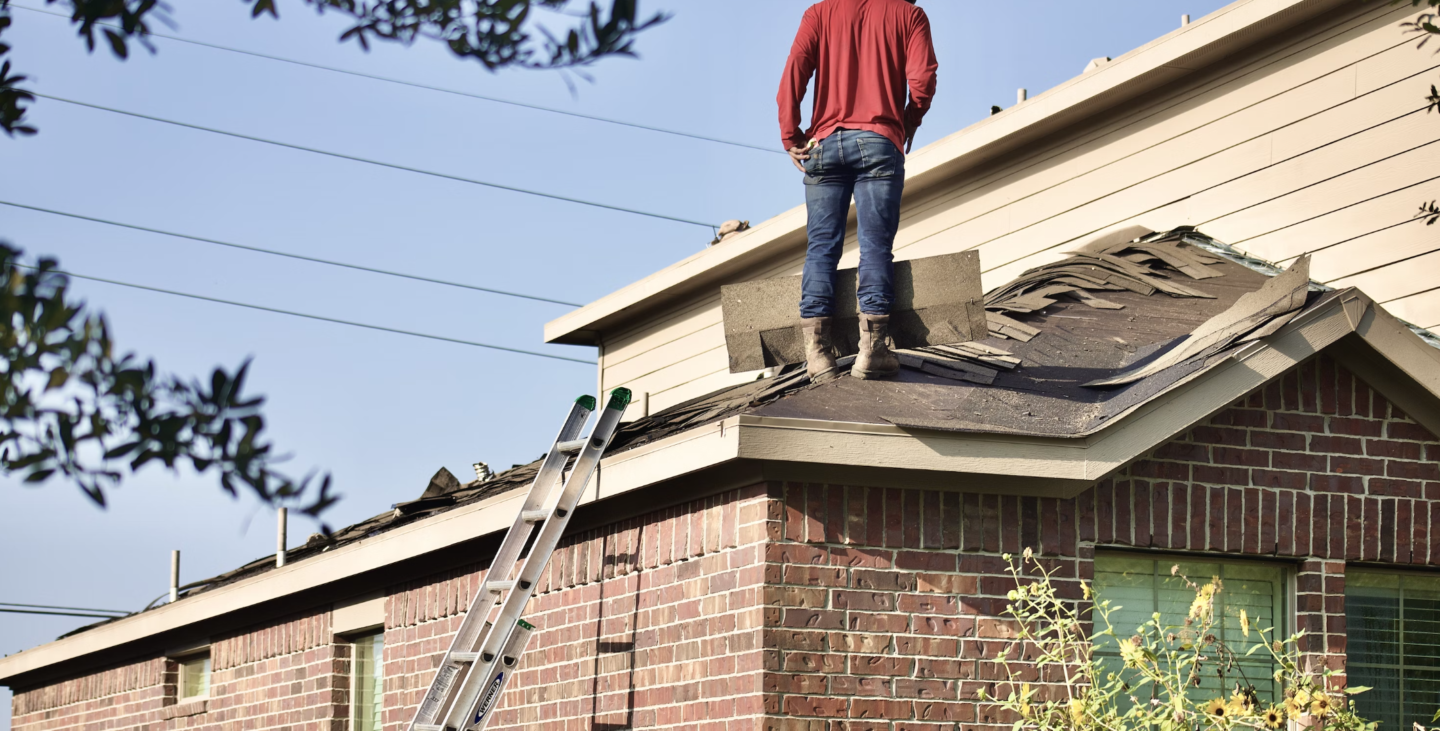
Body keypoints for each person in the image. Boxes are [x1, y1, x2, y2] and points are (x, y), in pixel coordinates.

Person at [778, 0, 937, 382]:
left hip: (824, 143)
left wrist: (790, 135)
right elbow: (923, 80)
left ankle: (817, 355)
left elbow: (794, 72)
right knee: (876, 245)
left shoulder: (819, 13)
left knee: (821, 247)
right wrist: (908, 120)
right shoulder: (909, 15)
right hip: (880, 140)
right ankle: (873, 350)